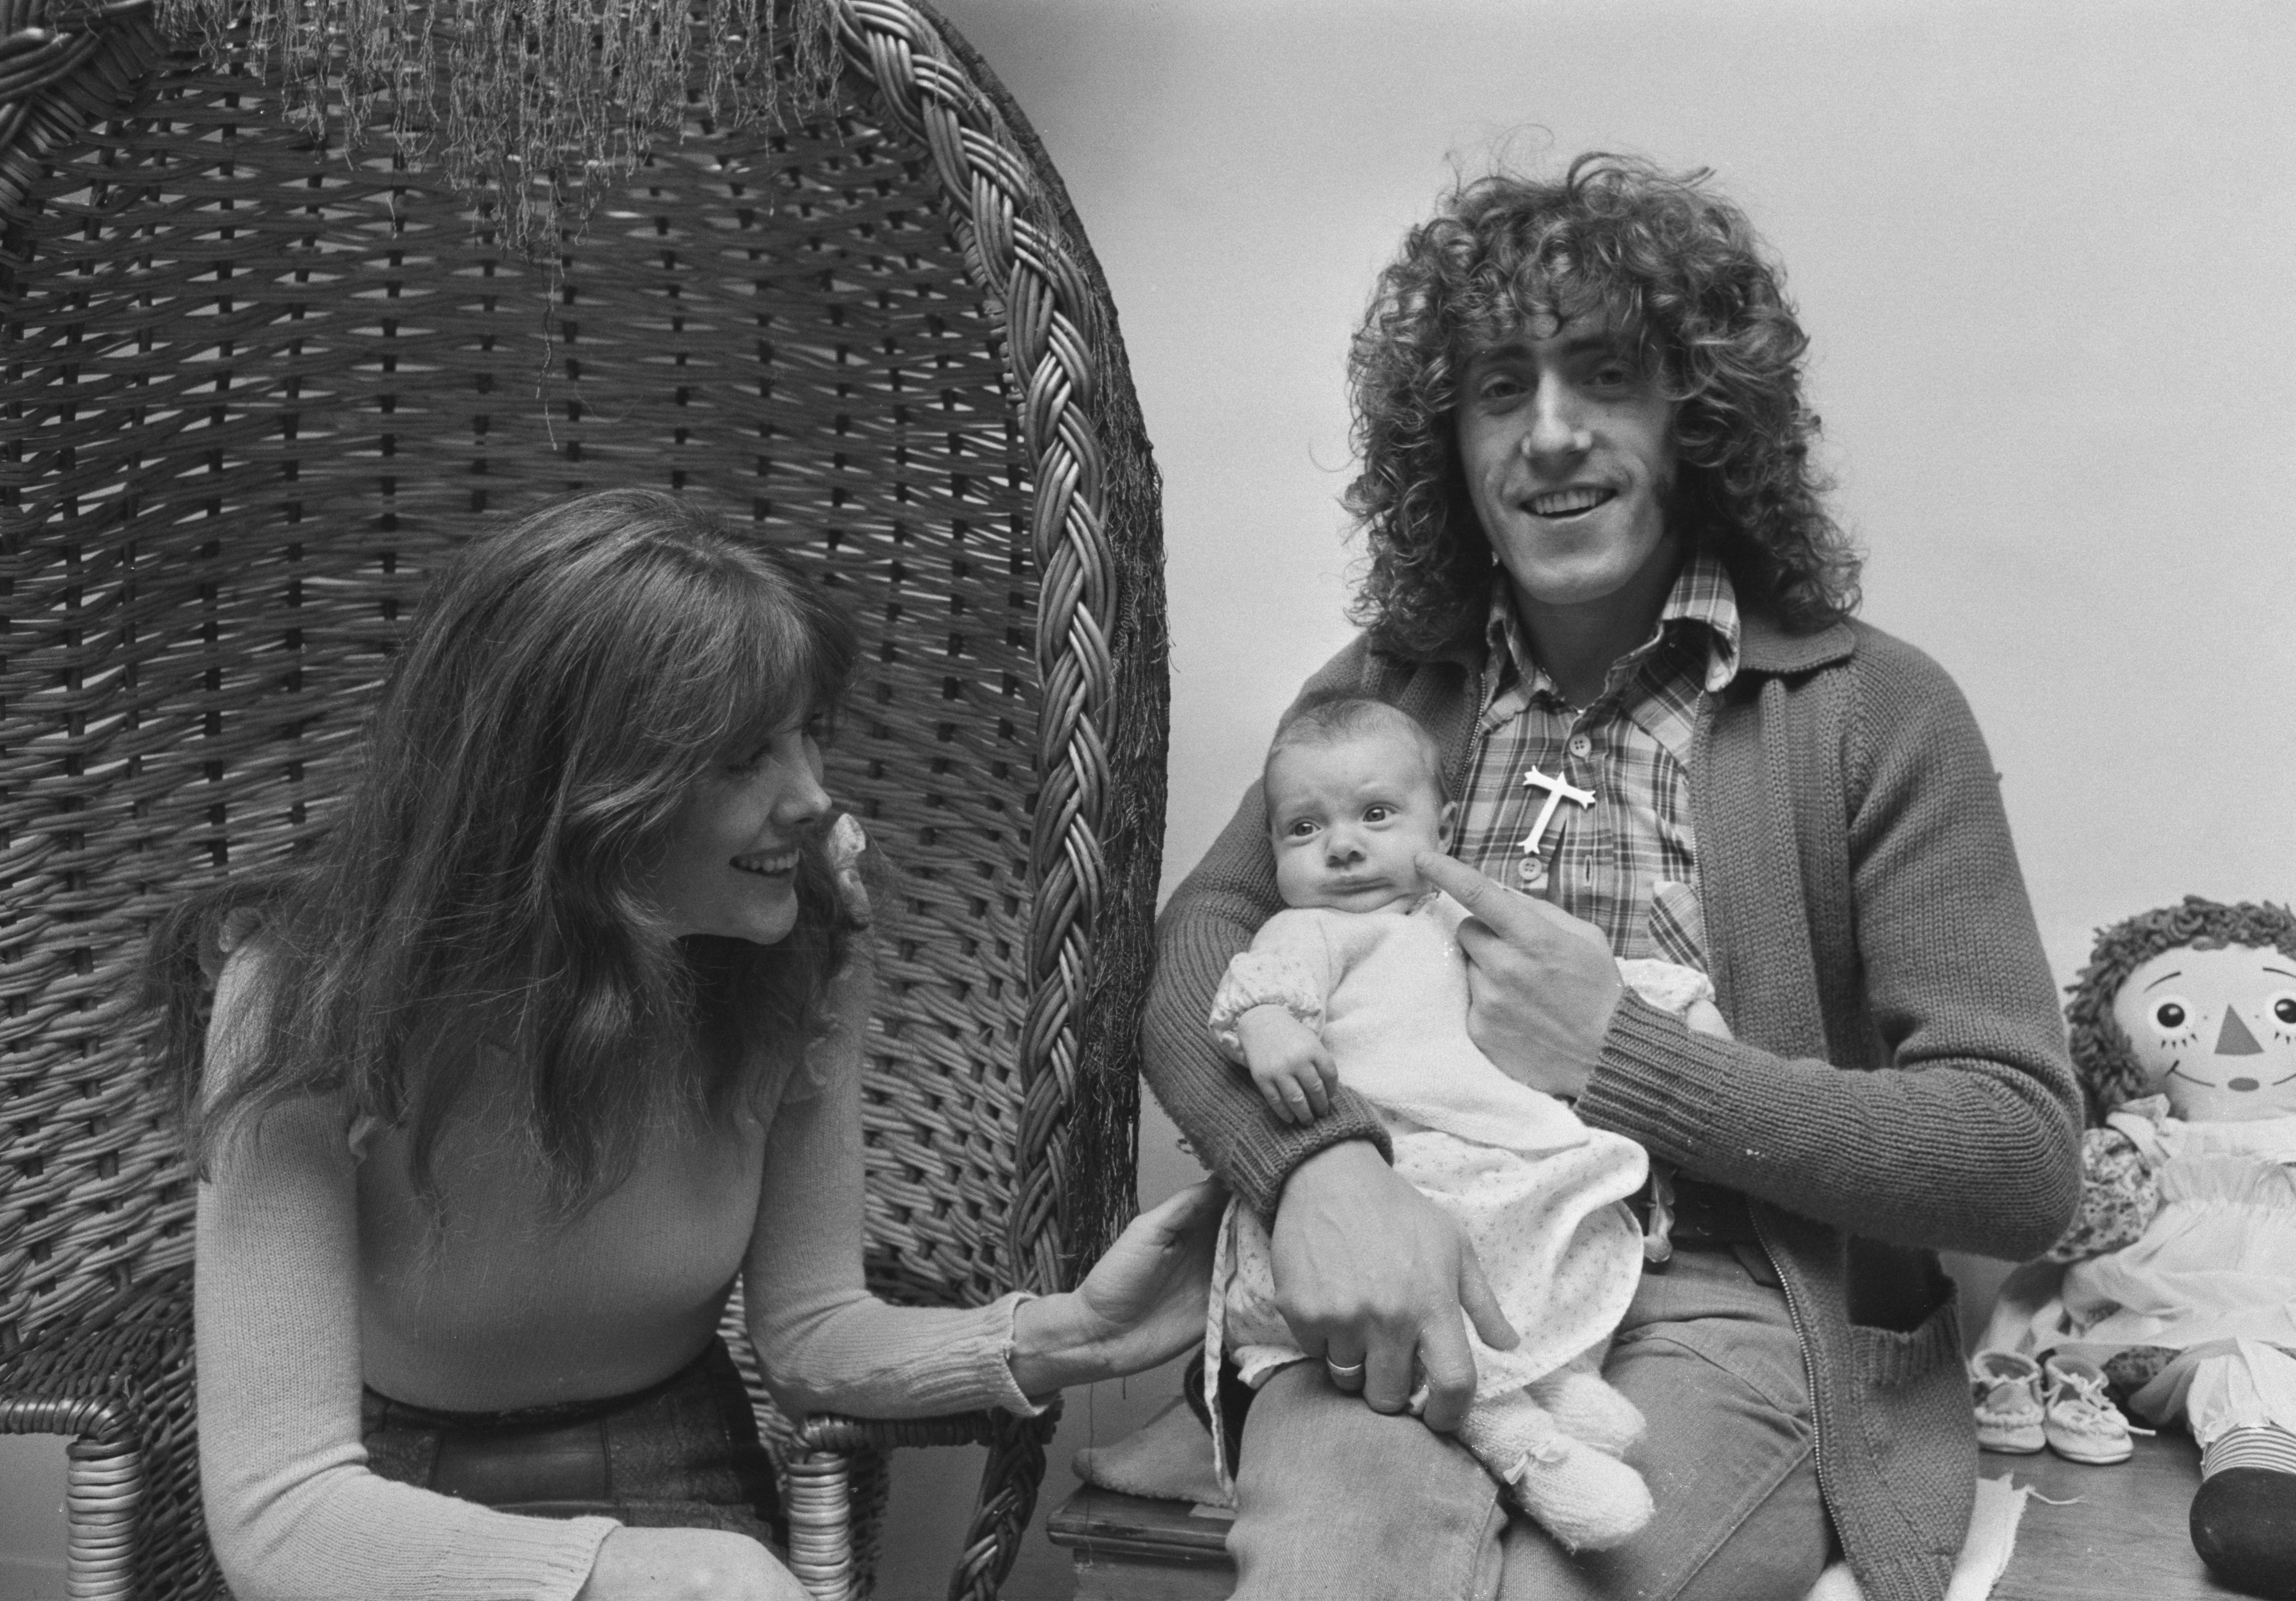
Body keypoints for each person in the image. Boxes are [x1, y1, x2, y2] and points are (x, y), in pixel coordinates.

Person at [1142, 153, 2085, 1601]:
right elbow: (1203, 951)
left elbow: (2017, 1154)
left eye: (1606, 377)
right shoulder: (1392, 695)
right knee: (1340, 1571)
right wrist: (1317, 1169)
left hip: (1733, 1301)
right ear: (1446, 443)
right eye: (1500, 390)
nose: (1552, 435)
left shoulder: (1872, 710)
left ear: (1699, 418)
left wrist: (1629, 1063)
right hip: (1416, 1251)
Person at [151, 490, 1220, 1601]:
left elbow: (810, 1334)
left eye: (810, 734)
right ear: (567, 790)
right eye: (739, 757)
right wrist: (614, 1569)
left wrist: (1071, 1336)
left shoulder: (799, 953)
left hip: (680, 1467)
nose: (813, 798)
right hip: (378, 1513)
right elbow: (282, 1508)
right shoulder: (301, 997)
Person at [1207, 695, 1731, 1552]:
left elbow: (1590, 975)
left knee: (1562, 1216)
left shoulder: (1463, 917)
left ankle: (1555, 1380)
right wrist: (1268, 1027)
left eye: (1377, 815)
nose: (1341, 846)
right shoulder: (1313, 928)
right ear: (1272, 853)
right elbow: (1264, 983)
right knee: (1438, 1284)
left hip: (1477, 1150)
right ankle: (1529, 1449)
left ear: (1441, 827)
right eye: (1304, 830)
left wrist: (1682, 1004)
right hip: (1394, 1165)